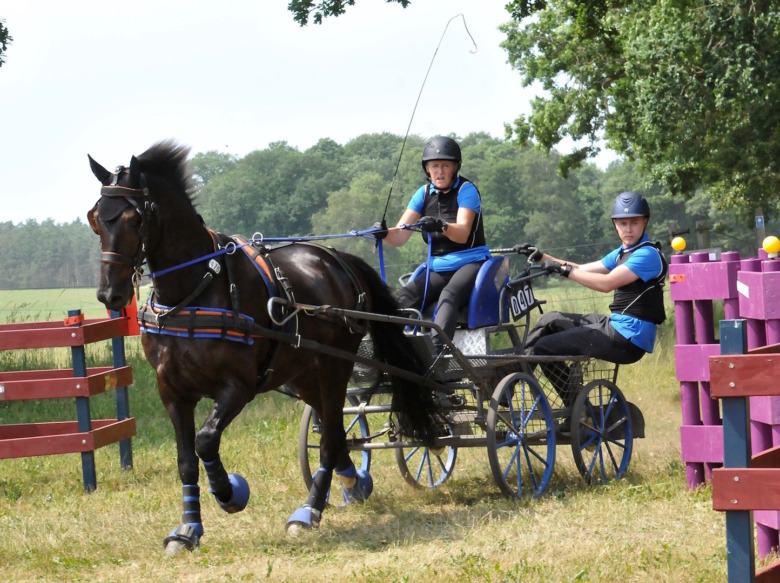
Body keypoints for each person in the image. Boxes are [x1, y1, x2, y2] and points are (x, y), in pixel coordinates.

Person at [524, 191, 668, 405]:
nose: (628, 229)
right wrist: (541, 256)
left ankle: (577, 408)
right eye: (623, 223)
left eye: (634, 223)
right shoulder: (623, 252)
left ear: (644, 222)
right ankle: (512, 375)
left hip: (628, 340)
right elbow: (581, 268)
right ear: (615, 225)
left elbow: (606, 283)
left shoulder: (646, 255)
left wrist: (563, 271)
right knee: (550, 320)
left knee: (544, 347)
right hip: (615, 327)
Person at [374, 136, 491, 352]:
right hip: (438, 266)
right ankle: (388, 351)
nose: (439, 171)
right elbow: (399, 236)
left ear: (455, 167)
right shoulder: (423, 193)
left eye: (445, 166)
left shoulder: (467, 190)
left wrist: (440, 225)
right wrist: (382, 233)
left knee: (449, 296)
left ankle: (438, 355)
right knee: (402, 299)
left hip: (471, 262)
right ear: (427, 170)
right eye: (434, 166)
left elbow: (463, 233)